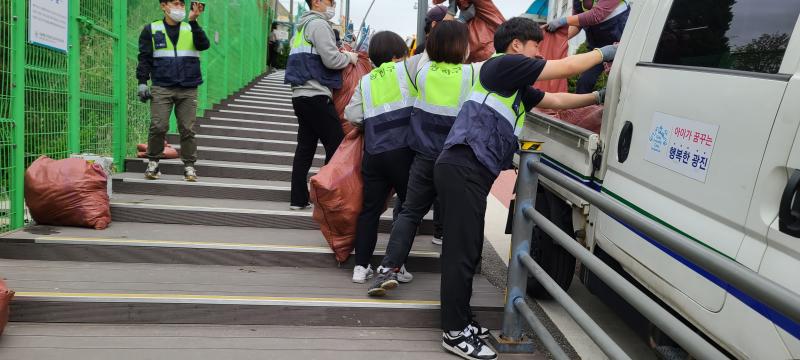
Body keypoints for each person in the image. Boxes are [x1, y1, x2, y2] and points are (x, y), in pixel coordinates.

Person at [433, 17, 615, 360]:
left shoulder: (513, 84)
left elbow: (556, 102)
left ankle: (462, 322)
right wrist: (605, 52)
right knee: (460, 255)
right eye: (536, 47)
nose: (539, 54)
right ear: (517, 45)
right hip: (463, 166)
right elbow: (566, 65)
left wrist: (599, 96)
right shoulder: (503, 65)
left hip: (469, 170)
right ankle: (454, 333)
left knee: (469, 251)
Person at [367, 21, 473, 297]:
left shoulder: (421, 71)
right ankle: (456, 280)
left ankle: (388, 268)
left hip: (423, 156)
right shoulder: (471, 74)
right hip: (454, 159)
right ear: (462, 47)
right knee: (454, 218)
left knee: (410, 212)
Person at [344, 31, 416, 284]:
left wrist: (372, 123)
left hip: (374, 153)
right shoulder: (406, 71)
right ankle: (396, 265)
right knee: (409, 209)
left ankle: (361, 266)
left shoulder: (366, 80)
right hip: (403, 153)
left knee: (370, 211)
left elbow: (351, 115)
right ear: (398, 55)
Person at [285, 0, 359, 210]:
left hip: (300, 94)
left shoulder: (301, 28)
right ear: (316, 2)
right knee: (337, 146)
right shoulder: (318, 25)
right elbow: (331, 60)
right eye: (330, 1)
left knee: (305, 148)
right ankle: (327, 197)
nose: (333, 4)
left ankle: (298, 199)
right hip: (316, 93)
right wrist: (349, 57)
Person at [137, 0, 210, 182]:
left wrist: (194, 21)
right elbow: (144, 57)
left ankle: (189, 166)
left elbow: (204, 45)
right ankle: (153, 162)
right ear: (164, 6)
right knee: (158, 126)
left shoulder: (189, 28)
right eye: (175, 3)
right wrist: (142, 82)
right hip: (162, 85)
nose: (179, 8)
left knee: (187, 128)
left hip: (188, 86)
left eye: (182, 5)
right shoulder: (151, 29)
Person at [545, 0, 629, 93]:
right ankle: (583, 104)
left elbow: (596, 15)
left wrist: (564, 20)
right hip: (597, 47)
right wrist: (560, 37)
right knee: (584, 82)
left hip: (620, 45)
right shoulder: (578, 1)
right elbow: (577, 23)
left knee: (621, 81)